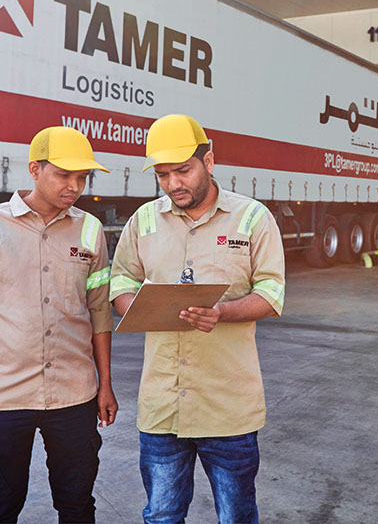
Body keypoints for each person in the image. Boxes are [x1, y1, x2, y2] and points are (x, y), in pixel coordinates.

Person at [110, 114, 286, 524]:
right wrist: (130, 305)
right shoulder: (145, 220)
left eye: (183, 170)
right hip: (162, 407)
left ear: (209, 161)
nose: (174, 184)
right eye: (163, 174)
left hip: (227, 406)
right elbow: (121, 278)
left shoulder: (252, 218)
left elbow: (272, 293)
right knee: (162, 515)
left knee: (236, 516)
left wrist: (222, 312)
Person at [0, 126, 118, 523]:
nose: (74, 186)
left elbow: (99, 314)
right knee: (1, 507)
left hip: (75, 397)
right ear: (34, 169)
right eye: (63, 175)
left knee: (77, 505)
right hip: (3, 399)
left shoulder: (90, 230)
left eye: (81, 178)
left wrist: (104, 384)